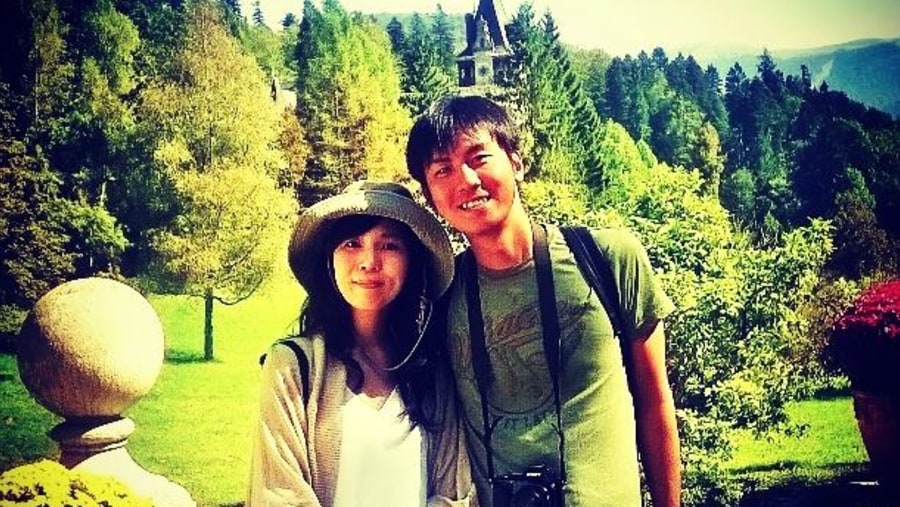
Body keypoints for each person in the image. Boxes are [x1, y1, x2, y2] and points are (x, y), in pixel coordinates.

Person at [405, 95, 681, 507]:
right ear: (429, 194)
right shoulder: (441, 294)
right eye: (442, 169)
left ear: (516, 162)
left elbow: (656, 402)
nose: (465, 180)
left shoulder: (606, 258)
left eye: (478, 157)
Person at [248, 181, 475, 506]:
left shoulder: (431, 371)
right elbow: (279, 495)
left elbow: (456, 493)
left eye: (389, 246)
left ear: (412, 263)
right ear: (330, 260)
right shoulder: (293, 367)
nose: (369, 261)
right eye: (352, 243)